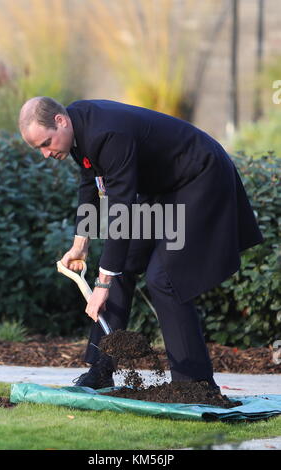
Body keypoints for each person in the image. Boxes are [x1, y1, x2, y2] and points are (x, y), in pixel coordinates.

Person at [19, 97, 263, 390]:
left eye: (46, 143)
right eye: (39, 149)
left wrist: (103, 284)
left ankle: (194, 383)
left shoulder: (107, 133)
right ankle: (100, 371)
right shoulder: (77, 129)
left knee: (164, 277)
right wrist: (80, 243)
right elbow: (90, 183)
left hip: (201, 176)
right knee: (122, 263)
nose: (45, 154)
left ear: (60, 121)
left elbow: (120, 208)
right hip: (164, 186)